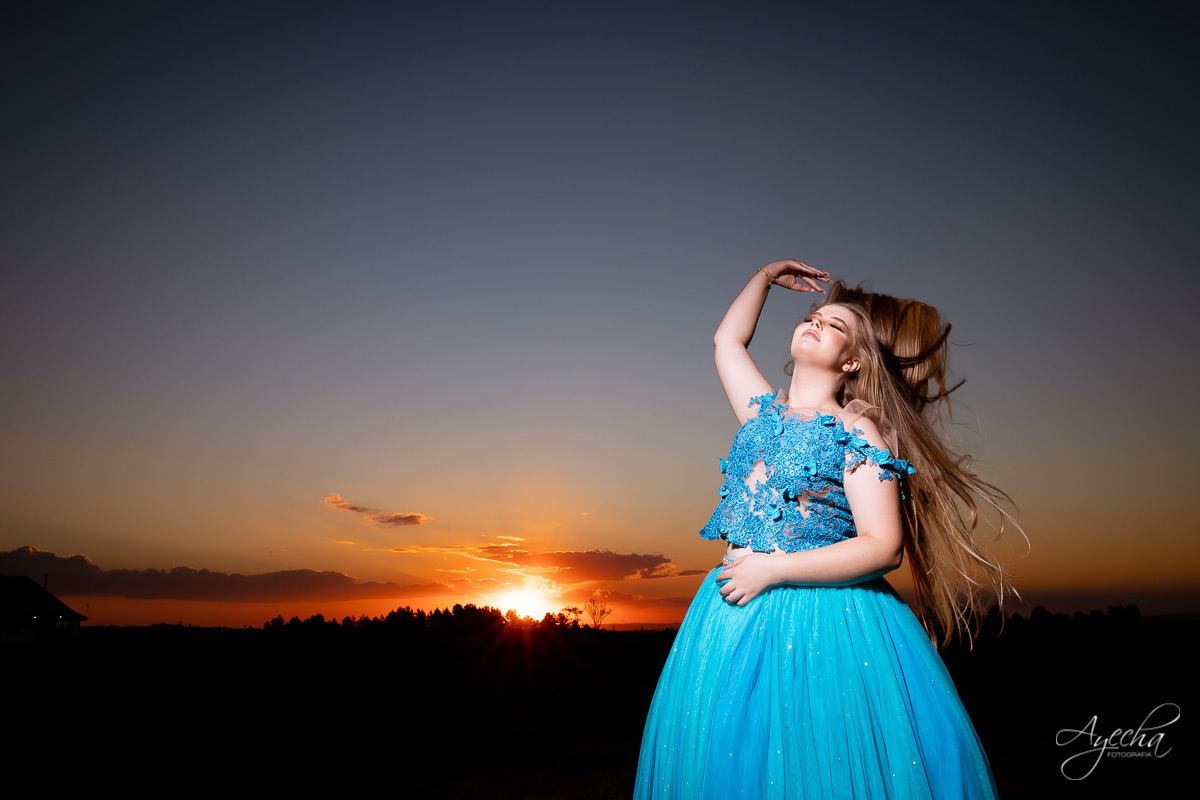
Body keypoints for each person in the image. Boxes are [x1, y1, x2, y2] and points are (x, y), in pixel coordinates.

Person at [633, 259, 1019, 799]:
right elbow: (726, 340)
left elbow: (884, 547)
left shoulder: (856, 429)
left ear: (855, 362)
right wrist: (766, 277)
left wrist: (773, 569)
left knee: (810, 764)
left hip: (820, 619)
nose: (815, 323)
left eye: (834, 326)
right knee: (730, 758)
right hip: (728, 612)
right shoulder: (761, 414)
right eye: (814, 315)